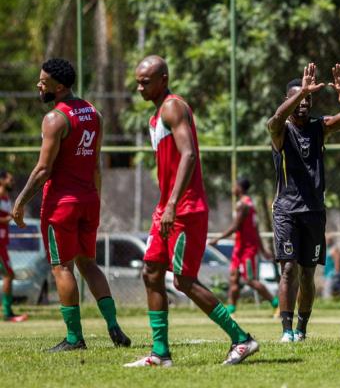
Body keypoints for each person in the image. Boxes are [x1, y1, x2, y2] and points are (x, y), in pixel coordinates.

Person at [125, 55, 257, 367]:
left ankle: (242, 339)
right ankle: (160, 354)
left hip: (184, 208)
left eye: (146, 81)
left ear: (164, 79)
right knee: (151, 272)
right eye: (137, 82)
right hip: (167, 208)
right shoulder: (155, 117)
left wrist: (171, 203)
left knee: (184, 281)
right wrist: (165, 205)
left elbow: (189, 155)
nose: (140, 87)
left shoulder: (173, 106)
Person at [12, 58, 130, 350]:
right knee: (88, 264)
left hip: (61, 204)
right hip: (89, 199)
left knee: (62, 267)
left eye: (43, 81)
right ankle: (113, 326)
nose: (39, 85)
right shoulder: (94, 113)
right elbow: (96, 166)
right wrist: (97, 200)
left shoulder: (55, 118)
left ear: (60, 86)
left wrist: (20, 201)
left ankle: (75, 338)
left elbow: (43, 170)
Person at [267, 62, 340, 342]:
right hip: (286, 211)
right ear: (289, 100)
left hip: (314, 211)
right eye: (299, 97)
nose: (304, 102)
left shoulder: (319, 127)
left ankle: (301, 329)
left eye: (308, 98)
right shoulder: (281, 130)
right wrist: (300, 91)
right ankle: (286, 330)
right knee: (288, 269)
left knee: (307, 273)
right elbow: (275, 120)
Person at [209, 177, 278, 315]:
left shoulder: (244, 205)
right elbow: (255, 229)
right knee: (233, 278)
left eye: (235, 186)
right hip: (239, 248)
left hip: (247, 249)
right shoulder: (249, 204)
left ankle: (276, 304)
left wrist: (217, 239)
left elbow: (235, 226)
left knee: (250, 280)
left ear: (240, 188)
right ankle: (231, 309)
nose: (233, 189)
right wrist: (263, 250)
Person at [0, 171, 27, 322]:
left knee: (9, 275)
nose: (12, 181)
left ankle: (8, 311)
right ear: (1, 180)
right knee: (9, 275)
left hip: (3, 244)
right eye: (10, 179)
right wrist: (10, 217)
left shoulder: (6, 198)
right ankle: (8, 312)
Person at [322, 232, 340, 299]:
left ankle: (328, 304)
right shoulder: (326, 249)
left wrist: (336, 272)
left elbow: (337, 262)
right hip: (326, 274)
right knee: (325, 291)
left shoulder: (334, 249)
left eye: (328, 239)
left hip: (332, 274)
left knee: (328, 292)